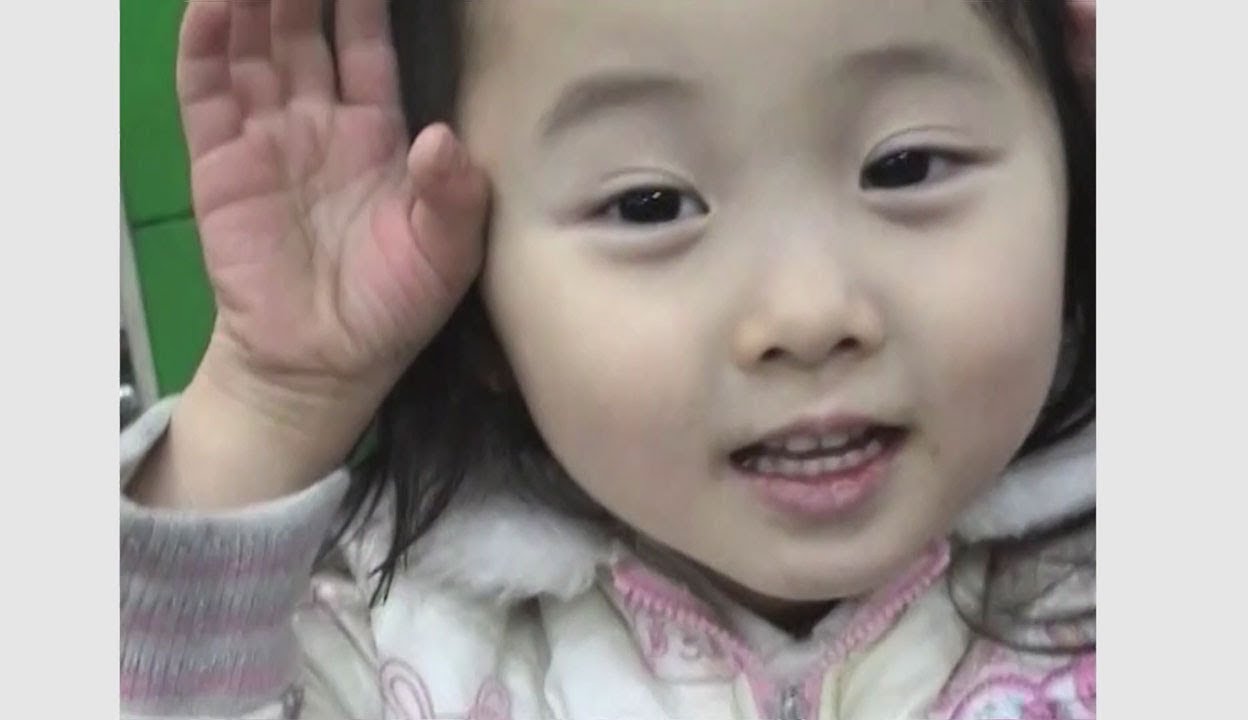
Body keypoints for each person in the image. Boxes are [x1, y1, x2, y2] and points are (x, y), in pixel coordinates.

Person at [121, 1, 1096, 718]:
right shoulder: (396, 643)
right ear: (478, 299)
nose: (806, 316)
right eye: (648, 205)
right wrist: (276, 400)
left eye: (904, 166)